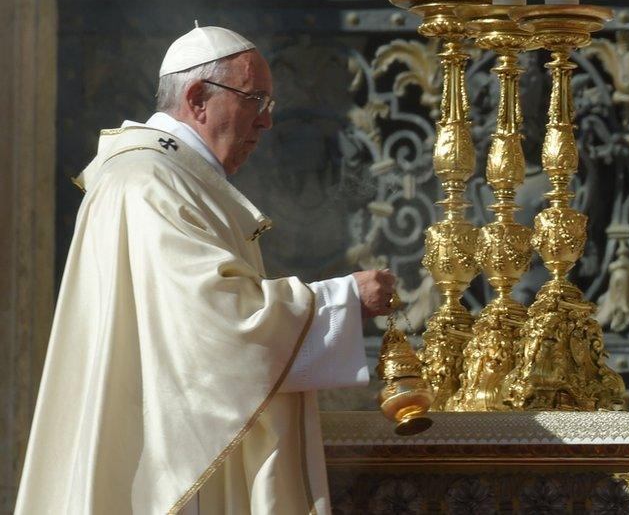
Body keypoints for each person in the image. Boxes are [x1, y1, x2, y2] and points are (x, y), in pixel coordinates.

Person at [15, 25, 394, 514]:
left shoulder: (169, 178)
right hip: (164, 463)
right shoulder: (151, 182)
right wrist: (344, 299)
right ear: (197, 99)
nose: (267, 123)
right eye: (256, 100)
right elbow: (219, 331)